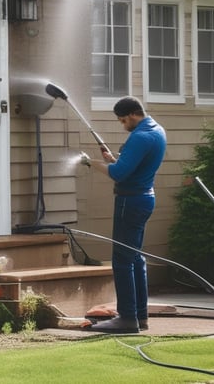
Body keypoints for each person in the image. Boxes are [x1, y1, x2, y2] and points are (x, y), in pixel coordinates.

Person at [86, 96, 166, 333]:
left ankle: (127, 318)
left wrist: (90, 163)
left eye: (123, 121)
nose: (123, 125)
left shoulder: (140, 136)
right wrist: (114, 159)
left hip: (129, 202)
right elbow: (130, 166)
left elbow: (119, 174)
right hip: (145, 198)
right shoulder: (157, 130)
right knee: (135, 259)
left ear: (132, 114)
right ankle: (140, 316)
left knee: (121, 260)